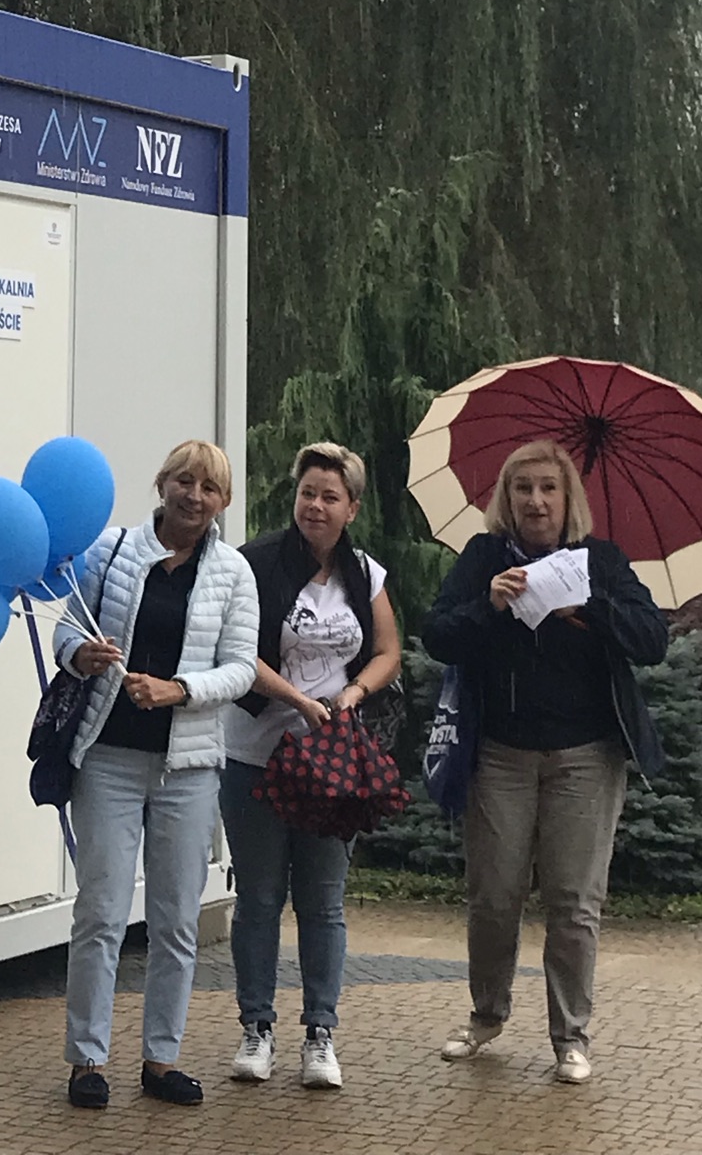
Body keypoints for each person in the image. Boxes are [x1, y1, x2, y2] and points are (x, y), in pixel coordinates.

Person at [422, 438, 668, 1085]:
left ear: (567, 499)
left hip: (585, 758)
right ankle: (486, 1015)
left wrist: (589, 608)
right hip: (500, 755)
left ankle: (571, 1037)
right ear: (508, 497)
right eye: (523, 488)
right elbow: (437, 634)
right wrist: (489, 605)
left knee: (574, 902)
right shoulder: (485, 558)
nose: (536, 500)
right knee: (494, 897)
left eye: (548, 488)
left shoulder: (601, 562)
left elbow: (653, 640)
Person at [54, 439, 258, 1111]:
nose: (194, 496)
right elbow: (64, 632)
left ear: (223, 501)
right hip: (107, 758)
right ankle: (87, 1060)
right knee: (101, 913)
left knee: (175, 921)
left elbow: (242, 669)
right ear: (162, 483)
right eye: (184, 481)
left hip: (189, 768)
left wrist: (180, 690)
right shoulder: (110, 551)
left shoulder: (232, 571)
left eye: (209, 487)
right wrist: (80, 654)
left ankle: (161, 1059)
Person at [220, 442, 401, 1092]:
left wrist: (352, 694)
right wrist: (298, 700)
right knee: (259, 898)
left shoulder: (364, 574)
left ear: (352, 508)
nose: (315, 506)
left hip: (332, 764)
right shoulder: (255, 563)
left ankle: (320, 1033)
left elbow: (388, 651)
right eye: (307, 493)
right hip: (256, 754)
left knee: (323, 903)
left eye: (330, 496)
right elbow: (235, 650)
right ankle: (256, 1028)